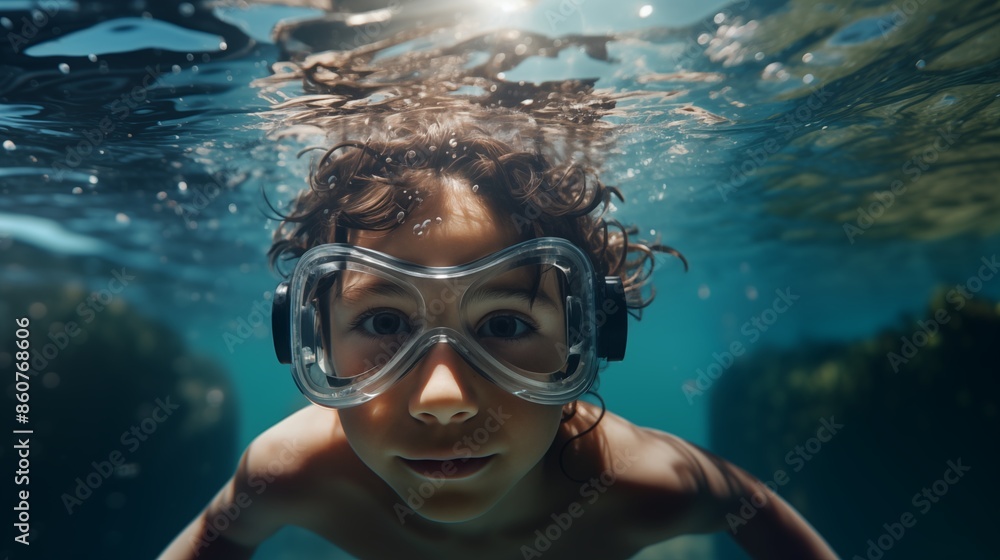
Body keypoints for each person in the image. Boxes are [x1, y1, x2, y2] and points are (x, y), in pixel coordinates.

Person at [160, 110, 838, 559]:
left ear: (590, 338)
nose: (443, 399)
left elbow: (750, 505)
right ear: (309, 341)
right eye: (385, 323)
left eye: (506, 325)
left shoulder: (640, 485)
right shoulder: (288, 473)